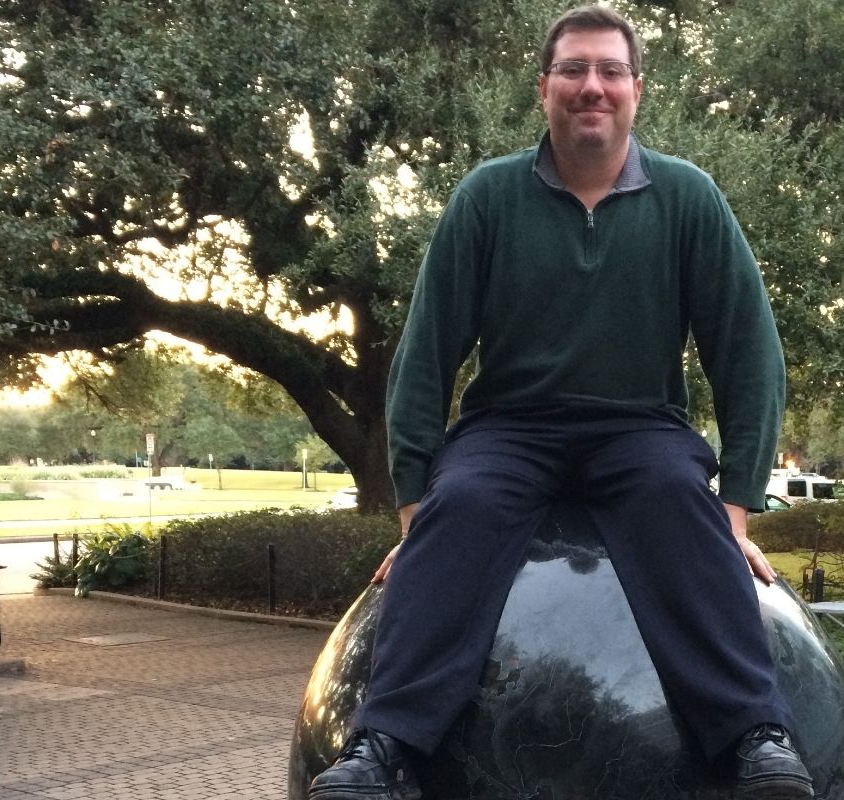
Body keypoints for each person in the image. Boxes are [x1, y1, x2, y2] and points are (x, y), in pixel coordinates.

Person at [308, 6, 814, 799]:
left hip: (639, 427)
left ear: (636, 90)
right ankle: (383, 746)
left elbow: (750, 357)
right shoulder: (487, 198)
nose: (592, 87)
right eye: (574, 71)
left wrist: (737, 509)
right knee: (463, 502)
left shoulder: (690, 199)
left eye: (610, 71)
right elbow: (425, 358)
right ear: (543, 87)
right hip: (509, 429)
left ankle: (756, 735)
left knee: (680, 500)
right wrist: (417, 519)